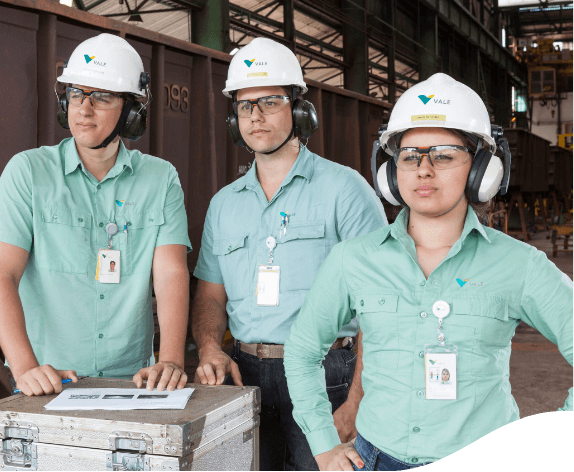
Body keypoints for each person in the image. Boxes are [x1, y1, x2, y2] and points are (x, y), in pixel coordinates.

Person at [284, 73, 573, 471]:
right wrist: (323, 446)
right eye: (409, 155)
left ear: (482, 169)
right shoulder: (352, 260)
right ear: (390, 172)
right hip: (374, 460)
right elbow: (301, 352)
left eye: (443, 154)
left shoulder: (519, 264)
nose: (423, 169)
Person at [191, 37, 388, 471]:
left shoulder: (345, 190)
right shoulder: (224, 204)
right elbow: (209, 294)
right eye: (245, 106)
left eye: (270, 102)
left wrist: (357, 401)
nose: (256, 116)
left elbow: (383, 303)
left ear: (300, 110)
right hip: (244, 375)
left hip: (325, 373)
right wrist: (209, 348)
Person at [0, 33, 192, 397]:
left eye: (101, 97)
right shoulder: (27, 172)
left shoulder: (160, 178)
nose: (84, 109)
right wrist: (25, 368)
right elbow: (3, 273)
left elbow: (170, 273)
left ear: (132, 111)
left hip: (133, 381)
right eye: (76, 94)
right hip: (47, 381)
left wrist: (170, 360)